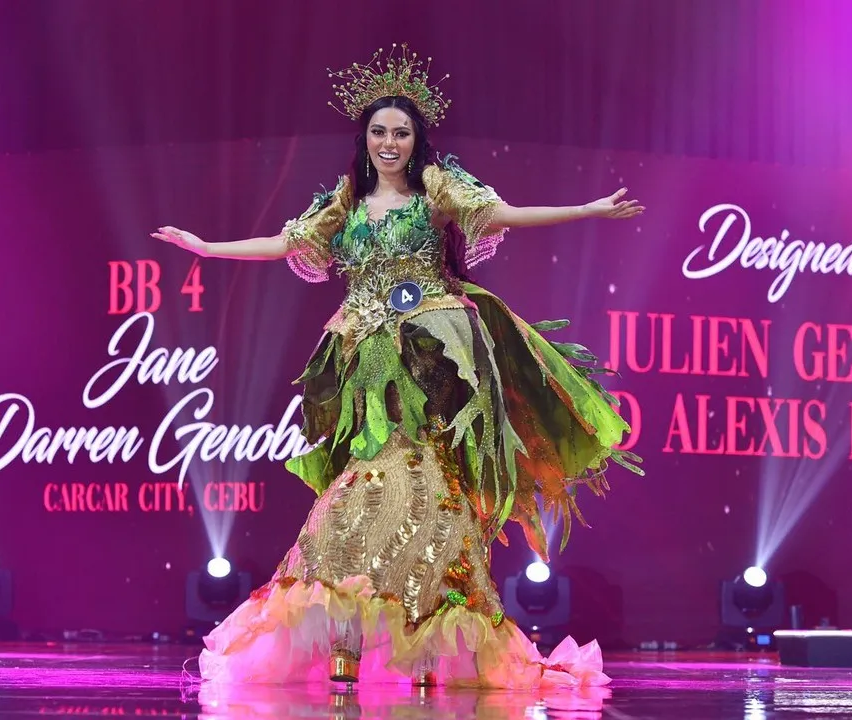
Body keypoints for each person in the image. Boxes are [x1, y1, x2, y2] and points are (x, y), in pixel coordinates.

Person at [153, 44, 644, 690]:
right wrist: (209, 247)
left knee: (429, 491)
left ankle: (427, 652)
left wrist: (585, 211)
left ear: (417, 141)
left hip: (430, 360)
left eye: (402, 133)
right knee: (354, 496)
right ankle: (348, 647)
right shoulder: (346, 201)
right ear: (366, 138)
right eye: (380, 132)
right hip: (365, 365)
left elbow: (502, 215)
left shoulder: (434, 190)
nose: (390, 143)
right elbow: (285, 243)